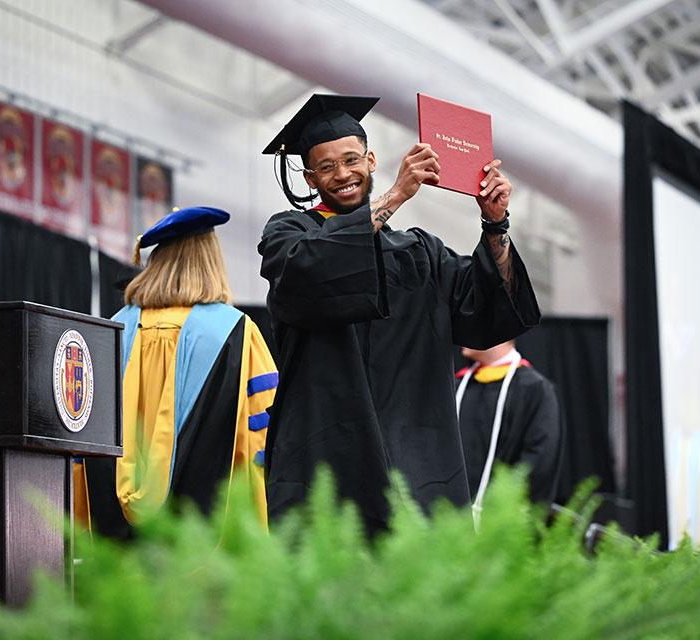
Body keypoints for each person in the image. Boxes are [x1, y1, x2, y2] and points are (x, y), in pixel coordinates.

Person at [258, 94, 541, 535]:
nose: (343, 174)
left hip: (419, 467)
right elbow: (309, 270)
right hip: (326, 457)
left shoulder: (420, 251)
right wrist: (395, 194)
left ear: (370, 160)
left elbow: (488, 311)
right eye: (327, 167)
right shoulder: (289, 234)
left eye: (351, 159)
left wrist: (495, 225)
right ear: (311, 178)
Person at [112, 206, 278, 528]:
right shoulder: (237, 332)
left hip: (115, 528)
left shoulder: (115, 328)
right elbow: (260, 435)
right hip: (207, 524)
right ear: (212, 261)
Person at [456, 340, 563, 516]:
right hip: (450, 526)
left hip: (503, 522)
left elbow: (537, 461)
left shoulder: (535, 390)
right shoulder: (458, 387)